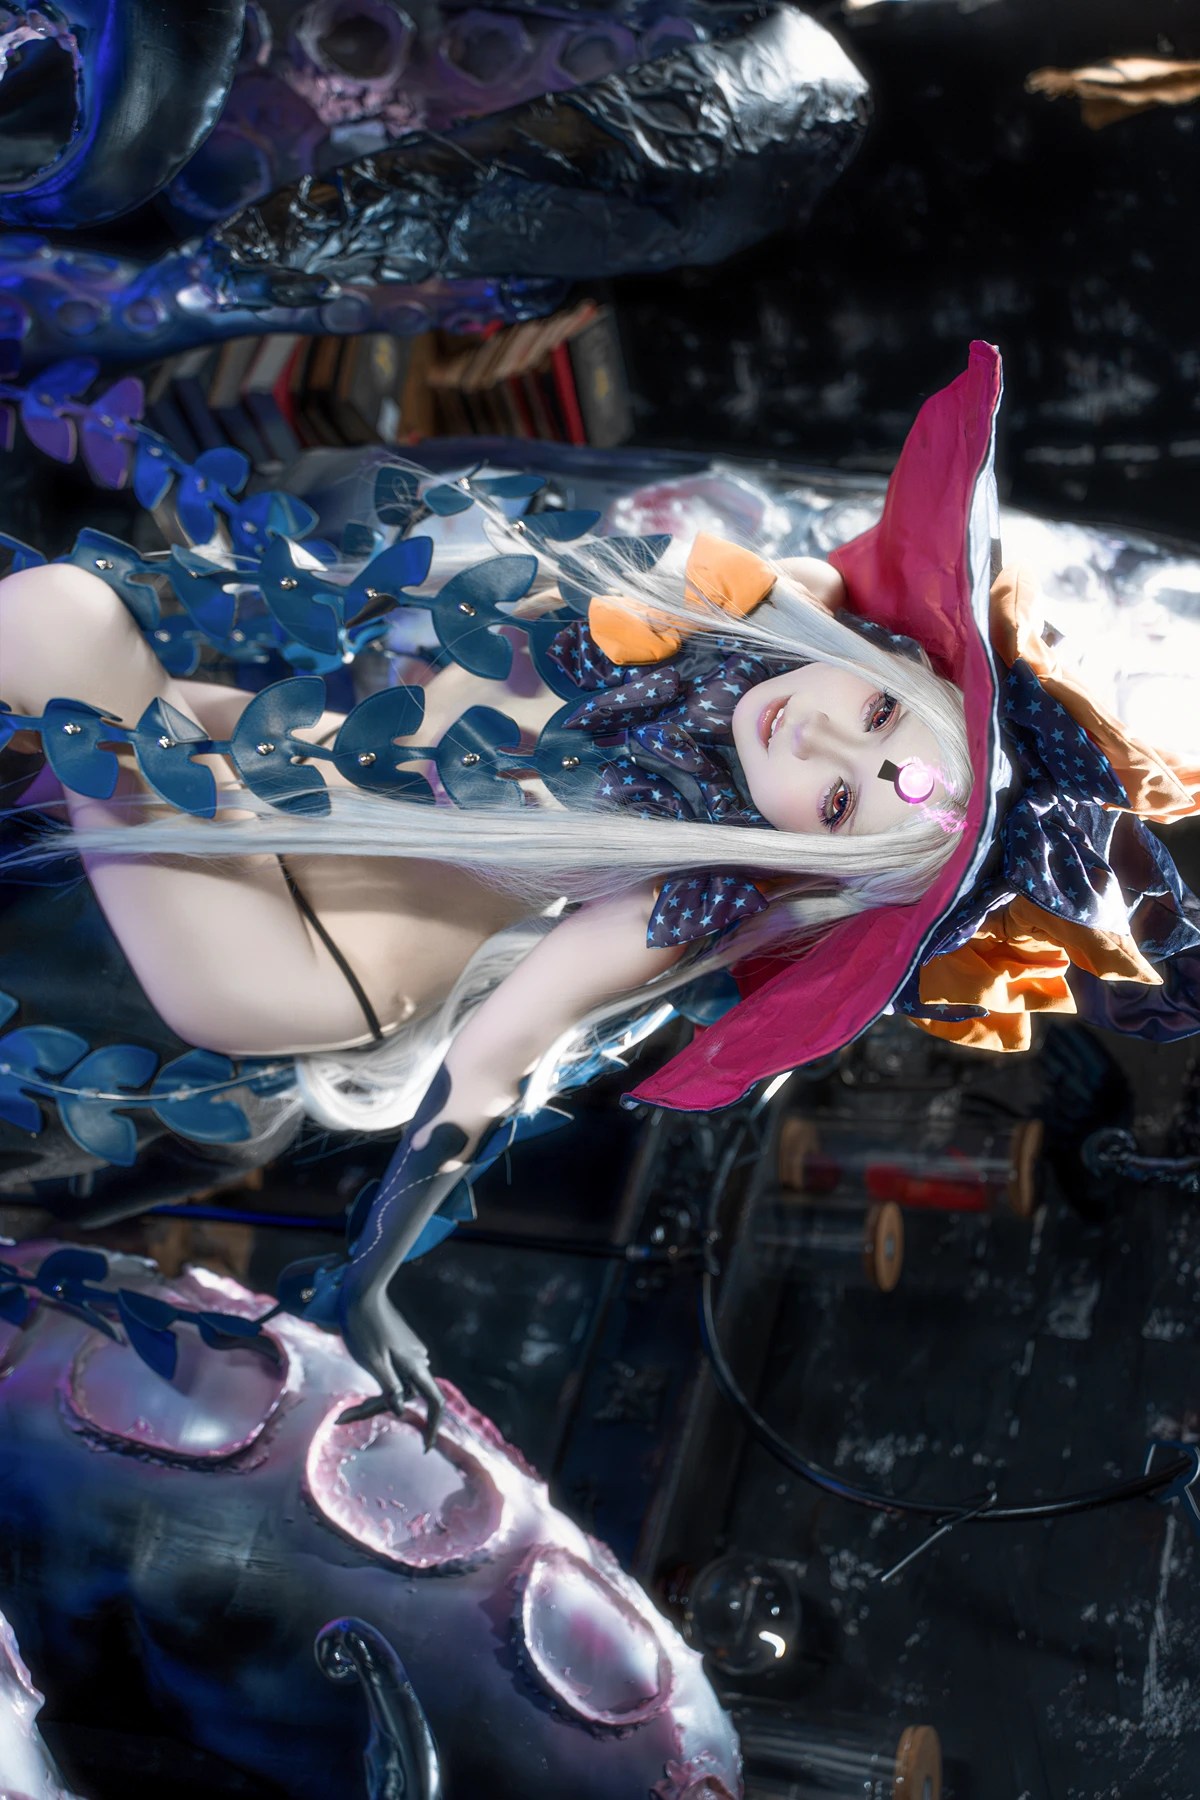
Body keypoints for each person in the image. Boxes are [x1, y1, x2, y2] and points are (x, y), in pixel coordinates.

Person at [1, 342, 1196, 1430]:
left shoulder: (689, 882)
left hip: (298, 959)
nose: (814, 736)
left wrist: (369, 1279)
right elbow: (807, 595)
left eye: (838, 803)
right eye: (876, 711)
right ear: (879, 658)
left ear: (818, 857)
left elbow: (492, 1061)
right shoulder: (710, 631)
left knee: (59, 622)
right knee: (79, 672)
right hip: (270, 784)